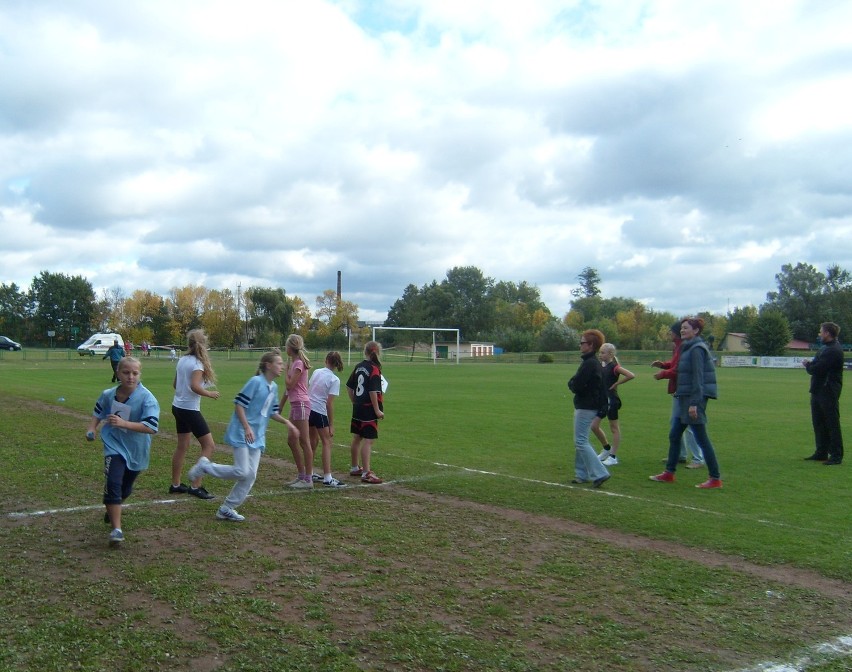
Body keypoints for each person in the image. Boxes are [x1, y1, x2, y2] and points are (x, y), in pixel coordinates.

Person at [187, 349, 298, 522]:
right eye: (279, 363)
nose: (282, 367)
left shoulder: (274, 387)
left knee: (250, 475)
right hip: (241, 432)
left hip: (257, 437)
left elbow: (272, 412)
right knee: (241, 471)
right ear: (268, 365)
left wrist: (288, 423)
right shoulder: (255, 382)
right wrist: (247, 427)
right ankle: (205, 467)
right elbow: (239, 405)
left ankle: (227, 508)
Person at [85, 356, 160, 545]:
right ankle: (116, 530)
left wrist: (124, 423)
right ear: (118, 373)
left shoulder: (147, 398)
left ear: (140, 374)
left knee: (125, 487)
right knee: (113, 482)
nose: (130, 377)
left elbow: (152, 427)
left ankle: (111, 508)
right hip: (113, 444)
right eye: (126, 372)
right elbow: (98, 411)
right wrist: (92, 428)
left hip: (136, 449)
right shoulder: (108, 394)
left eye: (135, 373)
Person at [650, 317, 723, 488]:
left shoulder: (697, 349)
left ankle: (715, 478)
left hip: (692, 399)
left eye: (686, 328)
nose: (682, 330)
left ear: (696, 330)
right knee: (675, 434)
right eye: (681, 328)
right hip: (683, 397)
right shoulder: (686, 347)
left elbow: (698, 379)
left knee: (701, 438)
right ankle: (669, 473)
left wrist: (694, 404)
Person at [169, 329, 220, 500]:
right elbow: (194, 386)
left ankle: (175, 485)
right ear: (203, 344)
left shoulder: (182, 360)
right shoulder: (198, 364)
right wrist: (210, 393)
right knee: (209, 446)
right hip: (189, 409)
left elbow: (175, 384)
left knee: (182, 446)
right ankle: (195, 485)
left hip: (177, 407)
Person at [651, 322, 705, 469]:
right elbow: (675, 365)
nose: (671, 334)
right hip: (679, 390)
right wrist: (663, 365)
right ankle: (680, 454)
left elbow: (679, 370)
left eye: (672, 331)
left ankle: (698, 458)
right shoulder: (679, 347)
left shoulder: (685, 347)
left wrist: (663, 374)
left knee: (688, 426)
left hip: (685, 391)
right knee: (676, 424)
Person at [567, 330, 611, 488]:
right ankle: (581, 474)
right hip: (589, 405)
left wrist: (572, 384)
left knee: (580, 441)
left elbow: (577, 384)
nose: (580, 345)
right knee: (581, 440)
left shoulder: (590, 363)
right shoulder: (592, 362)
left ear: (591, 345)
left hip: (586, 406)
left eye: (583, 342)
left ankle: (600, 473)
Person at [802, 322, 844, 465]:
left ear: (827, 333)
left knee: (831, 423)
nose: (819, 334)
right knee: (819, 422)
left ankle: (836, 455)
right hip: (819, 390)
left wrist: (808, 365)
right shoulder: (825, 348)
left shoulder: (833, 350)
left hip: (828, 390)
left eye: (821, 331)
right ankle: (821, 452)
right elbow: (816, 365)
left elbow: (817, 368)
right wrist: (811, 365)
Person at [347, 341, 385, 484]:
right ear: (377, 352)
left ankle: (354, 467)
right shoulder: (374, 368)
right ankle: (366, 473)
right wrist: (377, 410)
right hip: (368, 409)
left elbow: (349, 387)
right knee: (368, 440)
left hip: (358, 407)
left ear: (365, 352)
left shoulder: (358, 367)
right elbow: (373, 391)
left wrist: (355, 401)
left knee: (357, 437)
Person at [308, 351, 347, 488]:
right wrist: (331, 424)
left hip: (308, 409)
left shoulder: (317, 371)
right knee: (327, 442)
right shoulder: (334, 379)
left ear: (326, 360)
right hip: (319, 411)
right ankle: (328, 477)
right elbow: (329, 403)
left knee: (313, 441)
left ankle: (309, 472)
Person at [592, 343, 635, 466]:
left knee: (614, 428)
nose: (600, 355)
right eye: (600, 352)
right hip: (603, 401)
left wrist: (617, 384)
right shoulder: (601, 366)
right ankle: (606, 449)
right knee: (594, 426)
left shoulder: (614, 367)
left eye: (603, 353)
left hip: (612, 401)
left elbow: (631, 375)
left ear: (610, 354)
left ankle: (613, 456)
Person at [280, 334, 314, 489]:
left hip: (301, 403)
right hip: (296, 404)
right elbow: (288, 391)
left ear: (290, 348)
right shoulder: (295, 363)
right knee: (291, 440)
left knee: (304, 441)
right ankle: (301, 475)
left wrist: (286, 374)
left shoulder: (298, 363)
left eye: (286, 346)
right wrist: (280, 406)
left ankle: (308, 479)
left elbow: (290, 386)